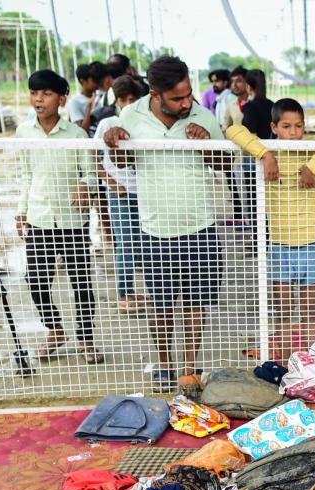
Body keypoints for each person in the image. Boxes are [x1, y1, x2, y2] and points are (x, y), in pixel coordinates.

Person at [104, 55, 227, 394]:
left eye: (189, 94)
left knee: (195, 301)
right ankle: (165, 363)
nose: (187, 102)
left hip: (200, 225)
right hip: (154, 227)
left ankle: (189, 366)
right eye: (177, 98)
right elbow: (124, 162)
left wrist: (206, 144)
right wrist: (115, 143)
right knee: (160, 304)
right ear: (155, 95)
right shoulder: (132, 115)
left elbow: (224, 164)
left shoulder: (203, 115)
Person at [227, 99, 315, 359]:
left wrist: (312, 168)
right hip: (280, 244)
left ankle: (308, 359)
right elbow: (233, 131)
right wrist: (266, 155)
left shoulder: (312, 150)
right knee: (283, 310)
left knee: (309, 311)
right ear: (274, 127)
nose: (294, 132)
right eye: (286, 126)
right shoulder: (268, 151)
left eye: (299, 126)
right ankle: (282, 359)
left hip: (313, 243)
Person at [14, 70, 101, 366]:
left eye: (46, 93)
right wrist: (21, 211)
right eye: (34, 93)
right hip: (39, 218)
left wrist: (84, 184)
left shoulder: (77, 135)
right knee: (36, 281)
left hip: (72, 221)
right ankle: (55, 330)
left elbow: (90, 175)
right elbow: (25, 174)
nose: (39, 98)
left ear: (61, 99)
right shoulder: (23, 133)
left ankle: (86, 340)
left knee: (81, 283)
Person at [96, 75, 146, 313]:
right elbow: (93, 158)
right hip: (120, 194)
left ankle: (150, 292)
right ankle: (124, 294)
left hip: (146, 191)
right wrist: (112, 184)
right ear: (116, 101)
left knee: (146, 243)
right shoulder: (108, 124)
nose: (128, 103)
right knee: (125, 243)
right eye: (123, 99)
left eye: (133, 99)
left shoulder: (144, 125)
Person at [69, 61, 103, 132]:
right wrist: (88, 108)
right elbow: (82, 131)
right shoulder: (75, 102)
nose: (96, 83)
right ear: (82, 81)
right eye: (92, 80)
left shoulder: (100, 96)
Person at [240, 70, 273, 139]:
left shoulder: (250, 107)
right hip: (274, 147)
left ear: (248, 86)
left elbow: (251, 134)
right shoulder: (273, 105)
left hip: (257, 148)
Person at [218, 66, 247, 130]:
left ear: (247, 82)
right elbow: (225, 129)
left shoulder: (255, 104)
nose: (234, 85)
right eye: (232, 81)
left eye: (238, 81)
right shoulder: (231, 106)